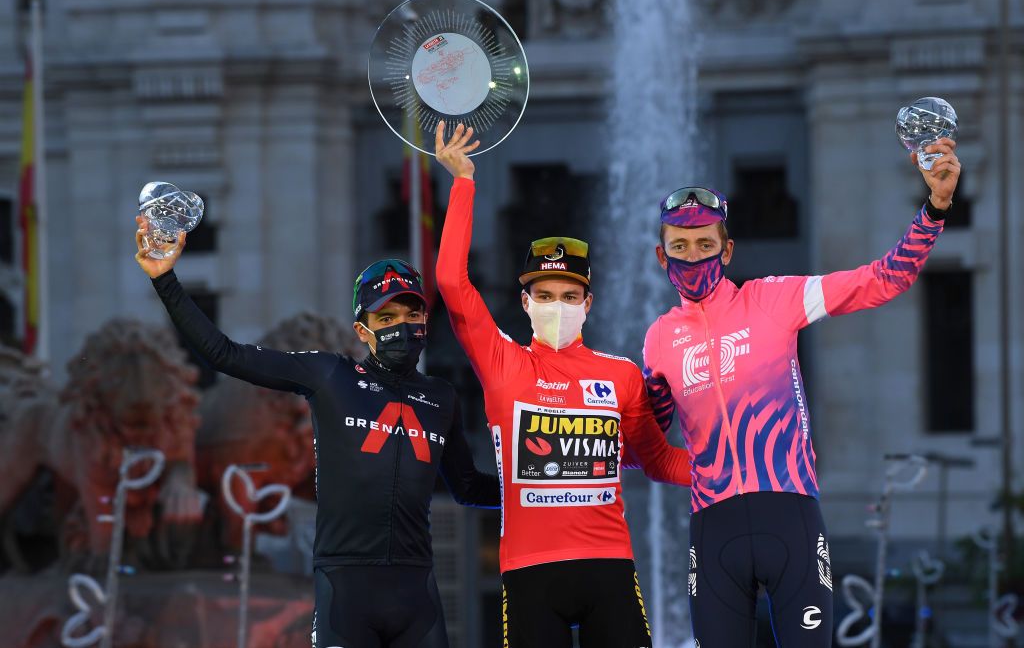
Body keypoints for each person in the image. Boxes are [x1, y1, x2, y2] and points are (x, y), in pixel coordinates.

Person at [642, 138, 961, 645]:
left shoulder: (774, 298)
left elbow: (884, 279)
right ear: (662, 256)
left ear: (727, 250)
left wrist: (935, 206)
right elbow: (647, 445)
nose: (692, 255)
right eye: (679, 246)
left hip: (790, 516)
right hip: (714, 530)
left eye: (705, 244)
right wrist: (700, 468)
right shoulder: (659, 338)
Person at [135, 217, 499, 648]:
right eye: (387, 316)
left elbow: (468, 487)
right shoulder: (330, 374)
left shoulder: (443, 397)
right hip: (345, 592)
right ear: (362, 330)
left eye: (412, 312)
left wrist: (554, 488)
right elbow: (224, 354)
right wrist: (165, 280)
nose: (402, 325)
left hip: (417, 591)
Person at [434, 122, 692, 648]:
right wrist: (463, 182)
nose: (557, 305)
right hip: (530, 575)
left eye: (569, 295)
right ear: (525, 302)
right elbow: (450, 283)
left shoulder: (620, 375)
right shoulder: (502, 361)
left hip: (610, 567)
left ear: (587, 304)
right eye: (544, 294)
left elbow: (658, 460)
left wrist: (741, 470)